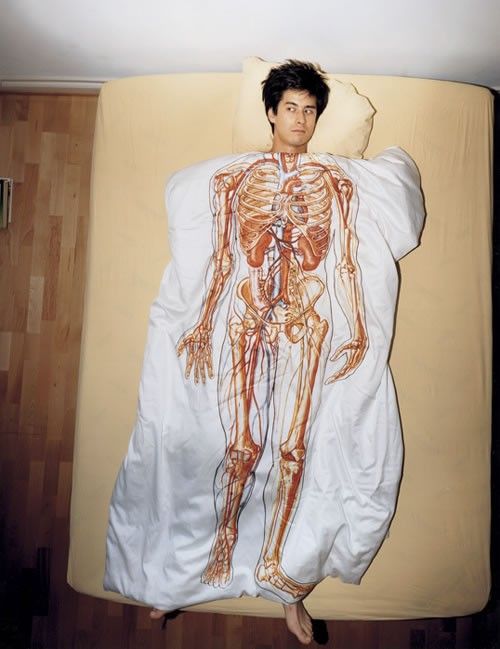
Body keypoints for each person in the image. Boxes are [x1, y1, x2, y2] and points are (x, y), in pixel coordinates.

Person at [149, 60, 368, 645]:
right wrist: (201, 324)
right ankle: (210, 553)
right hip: (246, 316)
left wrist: (359, 329)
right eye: (291, 108)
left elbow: (347, 260)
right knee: (238, 446)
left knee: (294, 449)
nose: (301, 119)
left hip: (306, 321)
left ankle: (282, 578)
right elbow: (222, 257)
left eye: (310, 110)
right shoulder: (236, 179)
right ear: (271, 113)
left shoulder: (336, 181)